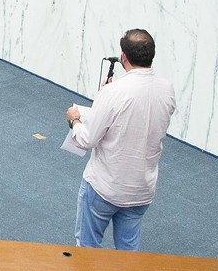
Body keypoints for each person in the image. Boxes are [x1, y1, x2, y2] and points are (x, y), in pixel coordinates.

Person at [66, 28, 176, 252]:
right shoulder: (167, 89)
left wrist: (74, 121)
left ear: (124, 56)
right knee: (128, 256)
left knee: (87, 249)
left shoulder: (114, 93)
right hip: (141, 190)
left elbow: (86, 140)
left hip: (104, 187)